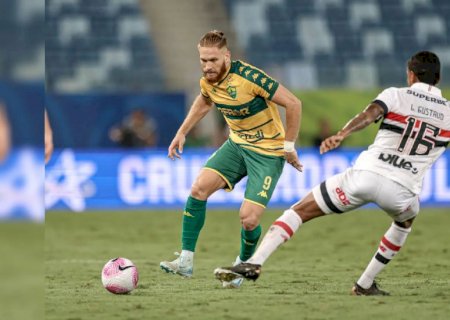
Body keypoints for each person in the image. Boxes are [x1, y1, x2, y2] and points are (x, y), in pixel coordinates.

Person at [214, 51, 449, 295]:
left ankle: (254, 262)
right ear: (438, 78)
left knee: (299, 211)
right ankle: (364, 285)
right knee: (405, 223)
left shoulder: (395, 95)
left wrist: (342, 134)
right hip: (402, 191)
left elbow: (369, 115)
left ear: (410, 75)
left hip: (365, 176)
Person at [160, 30, 303, 286]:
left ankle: (240, 269)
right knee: (198, 188)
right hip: (236, 146)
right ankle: (185, 261)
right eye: (203, 60)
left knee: (248, 219)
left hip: (267, 153)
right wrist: (182, 132)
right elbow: (205, 102)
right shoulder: (208, 81)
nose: (207, 66)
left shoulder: (250, 78)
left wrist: (288, 146)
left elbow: (293, 104)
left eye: (213, 60)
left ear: (227, 56)